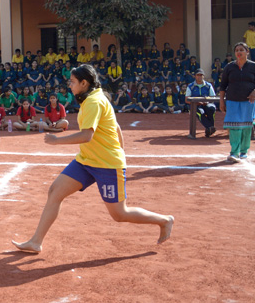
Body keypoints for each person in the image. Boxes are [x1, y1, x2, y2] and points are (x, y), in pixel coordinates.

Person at [12, 65, 174, 254]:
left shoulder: (93, 102)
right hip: (86, 160)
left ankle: (164, 220)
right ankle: (36, 242)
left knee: (120, 214)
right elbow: (115, 126)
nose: (70, 85)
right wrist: (121, 151)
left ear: (84, 83)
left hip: (106, 164)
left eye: (73, 82)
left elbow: (86, 135)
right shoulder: (93, 98)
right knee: (55, 191)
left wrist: (56, 141)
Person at [220, 42, 255, 162]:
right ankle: (234, 152)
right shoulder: (229, 67)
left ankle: (244, 151)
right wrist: (222, 102)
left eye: (241, 50)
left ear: (247, 52)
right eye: (237, 50)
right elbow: (223, 86)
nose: (239, 52)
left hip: (249, 102)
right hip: (232, 101)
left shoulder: (254, 66)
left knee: (246, 127)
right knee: (234, 127)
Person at [185, 69, 216, 136]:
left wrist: (207, 102)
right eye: (198, 75)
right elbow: (187, 99)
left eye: (201, 75)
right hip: (195, 105)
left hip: (207, 104)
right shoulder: (190, 86)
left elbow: (213, 97)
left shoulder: (208, 85)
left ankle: (209, 129)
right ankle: (210, 127)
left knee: (211, 108)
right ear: (195, 76)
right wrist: (197, 103)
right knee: (198, 111)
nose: (199, 77)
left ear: (203, 76)